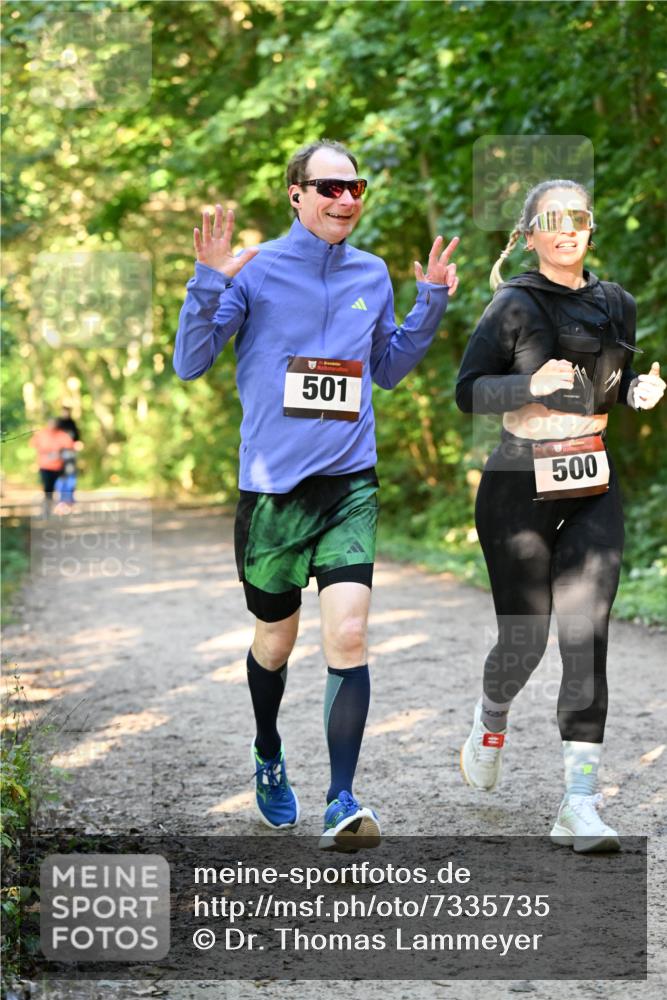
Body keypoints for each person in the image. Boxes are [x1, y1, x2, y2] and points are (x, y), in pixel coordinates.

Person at [174, 139, 459, 850]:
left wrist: (429, 303)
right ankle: (268, 752)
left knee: (351, 635)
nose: (345, 200)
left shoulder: (370, 271)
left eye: (354, 188)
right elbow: (190, 361)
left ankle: (341, 798)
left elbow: (388, 368)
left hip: (348, 484)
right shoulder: (256, 270)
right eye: (329, 188)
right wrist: (207, 281)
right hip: (271, 491)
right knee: (274, 642)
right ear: (295, 194)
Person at [456, 178, 664, 852]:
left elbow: (606, 380)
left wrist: (636, 390)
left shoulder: (617, 305)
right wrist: (527, 384)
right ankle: (491, 719)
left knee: (585, 634)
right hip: (517, 483)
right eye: (553, 218)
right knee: (525, 639)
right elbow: (469, 392)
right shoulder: (512, 306)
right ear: (531, 233)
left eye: (578, 216)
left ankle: (577, 803)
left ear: (589, 228)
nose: (567, 228)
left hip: (590, 481)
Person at [30, 418, 76, 517]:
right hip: (45, 467)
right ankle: (47, 510)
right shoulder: (42, 434)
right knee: (48, 489)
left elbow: (70, 447)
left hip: (59, 467)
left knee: (62, 488)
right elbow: (33, 444)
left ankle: (63, 508)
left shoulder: (62, 435)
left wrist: (60, 452)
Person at [55, 406, 81, 512]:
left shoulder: (72, 423)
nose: (65, 413)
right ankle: (62, 501)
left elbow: (77, 439)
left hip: (70, 454)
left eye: (67, 412)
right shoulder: (58, 424)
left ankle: (70, 500)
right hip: (59, 455)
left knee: (71, 476)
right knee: (61, 477)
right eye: (64, 411)